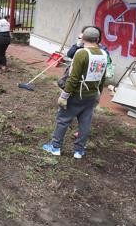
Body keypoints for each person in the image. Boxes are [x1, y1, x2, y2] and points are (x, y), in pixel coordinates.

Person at [43, 26, 107, 159]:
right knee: (85, 123)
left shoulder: (82, 53)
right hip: (91, 94)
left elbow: (74, 77)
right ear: (98, 39)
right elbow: (103, 77)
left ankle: (55, 147)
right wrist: (98, 94)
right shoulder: (104, 54)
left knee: (63, 120)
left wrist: (64, 95)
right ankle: (79, 151)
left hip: (77, 94)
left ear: (83, 38)